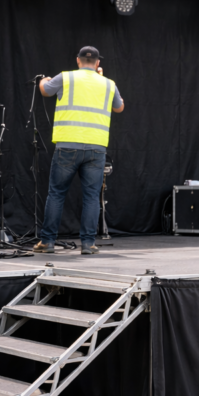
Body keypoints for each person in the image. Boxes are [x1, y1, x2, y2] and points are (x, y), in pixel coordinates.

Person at [33, 46, 124, 255]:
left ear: (78, 60)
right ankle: (88, 244)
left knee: (56, 194)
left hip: (67, 146)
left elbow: (45, 90)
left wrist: (43, 80)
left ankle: (47, 243)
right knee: (91, 197)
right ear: (98, 63)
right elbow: (119, 107)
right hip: (96, 149)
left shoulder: (66, 78)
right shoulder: (109, 84)